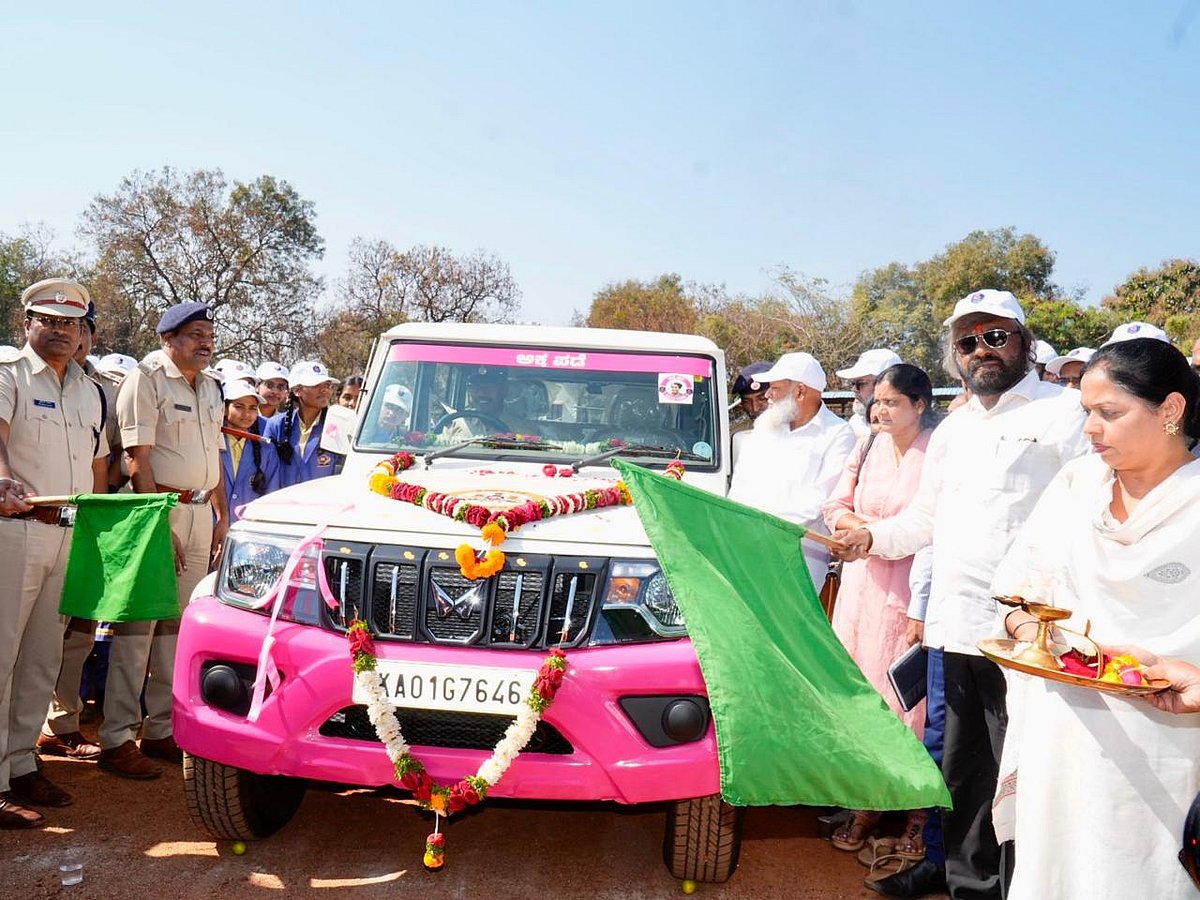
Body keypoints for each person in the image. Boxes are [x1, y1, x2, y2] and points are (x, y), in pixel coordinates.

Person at [833, 289, 1089, 900]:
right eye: (967, 341)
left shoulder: (1067, 413)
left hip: (1029, 636)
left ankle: (1011, 884)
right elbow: (925, 520)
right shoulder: (953, 429)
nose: (981, 350)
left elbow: (1090, 516)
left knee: (1020, 769)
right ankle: (955, 874)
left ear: (1024, 341)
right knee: (958, 762)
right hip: (955, 626)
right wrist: (869, 538)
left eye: (995, 336)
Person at [990, 338, 1200, 897]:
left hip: (1168, 748)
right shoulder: (1075, 486)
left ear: (1172, 410)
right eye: (1087, 412)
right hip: (1063, 734)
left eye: (1110, 413)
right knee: (1061, 869)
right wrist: (1036, 635)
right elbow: (1014, 593)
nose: (1090, 429)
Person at [100, 301, 228, 780]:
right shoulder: (146, 379)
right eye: (196, 334)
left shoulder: (211, 386)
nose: (205, 342)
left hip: (200, 514)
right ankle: (116, 738)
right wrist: (157, 521)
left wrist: (222, 512)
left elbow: (215, 454)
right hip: (162, 511)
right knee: (139, 630)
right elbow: (137, 460)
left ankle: (160, 730)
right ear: (167, 338)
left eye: (209, 334)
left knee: (178, 628)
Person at [0, 279, 108, 827]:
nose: (62, 331)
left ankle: (21, 764)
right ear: (27, 323)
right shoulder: (8, 375)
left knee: (42, 657)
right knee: (2, 656)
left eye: (72, 323)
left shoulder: (90, 390)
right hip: (15, 531)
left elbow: (95, 468)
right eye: (51, 320)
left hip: (69, 532)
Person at [821, 364, 937, 857]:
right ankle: (868, 802)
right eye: (879, 401)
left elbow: (929, 526)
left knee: (910, 702)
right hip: (861, 588)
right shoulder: (865, 446)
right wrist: (852, 526)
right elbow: (834, 504)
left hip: (910, 589)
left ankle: (917, 816)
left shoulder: (938, 452)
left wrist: (872, 534)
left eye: (893, 401)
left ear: (920, 405)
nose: (881, 409)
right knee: (865, 696)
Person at [38, 302, 116, 763]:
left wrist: (100, 522)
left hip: (85, 522)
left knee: (77, 633)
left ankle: (61, 724)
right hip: (32, 529)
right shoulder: (18, 378)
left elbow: (102, 463)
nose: (75, 336)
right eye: (64, 324)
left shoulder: (96, 391)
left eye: (82, 328)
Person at [729, 351, 856, 584]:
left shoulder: (838, 434)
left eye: (774, 388)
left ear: (799, 391)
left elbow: (820, 501)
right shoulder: (766, 426)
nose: (768, 395)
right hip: (748, 547)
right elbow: (741, 485)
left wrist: (762, 525)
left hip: (800, 557)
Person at [265, 360, 343, 487]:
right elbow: (268, 473)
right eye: (316, 385)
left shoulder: (338, 426)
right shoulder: (276, 425)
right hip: (281, 503)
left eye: (328, 385)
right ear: (297, 390)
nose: (324, 390)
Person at [221, 379, 280, 523]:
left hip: (247, 528)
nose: (247, 414)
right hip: (209, 526)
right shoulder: (209, 441)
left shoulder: (267, 448)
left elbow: (271, 494)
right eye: (239, 406)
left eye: (253, 408)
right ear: (224, 408)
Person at [837, 349, 903, 437]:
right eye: (853, 383)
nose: (854, 389)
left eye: (861, 383)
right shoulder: (856, 421)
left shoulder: (908, 427)